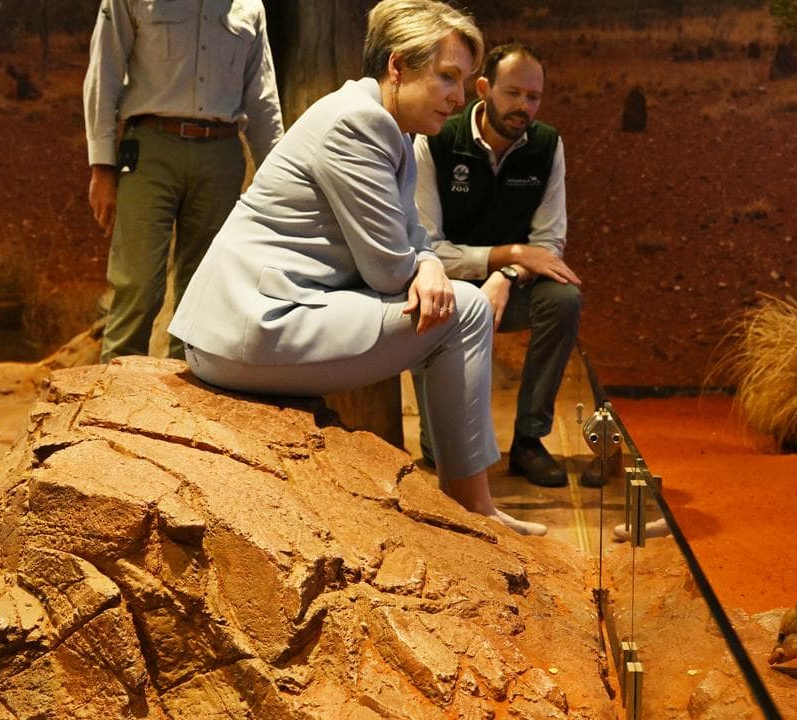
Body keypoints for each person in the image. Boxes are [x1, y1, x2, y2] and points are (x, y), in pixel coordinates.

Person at [168, 0, 545, 536]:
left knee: (454, 302)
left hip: (267, 321)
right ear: (397, 67)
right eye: (447, 77)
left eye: (464, 81)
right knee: (464, 311)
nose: (460, 97)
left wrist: (427, 262)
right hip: (257, 327)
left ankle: (470, 503)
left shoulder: (397, 131)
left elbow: (412, 238)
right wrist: (425, 265)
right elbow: (390, 268)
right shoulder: (357, 124)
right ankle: (471, 507)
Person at [413, 43, 598, 489]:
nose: (524, 107)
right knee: (426, 300)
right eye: (513, 93)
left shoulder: (547, 145)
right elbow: (428, 247)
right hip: (448, 285)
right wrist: (506, 256)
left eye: (533, 97)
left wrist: (507, 275)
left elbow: (549, 242)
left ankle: (529, 441)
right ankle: (440, 445)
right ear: (483, 89)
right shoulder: (436, 139)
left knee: (563, 298)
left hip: (512, 288)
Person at [83, 0, 284, 363]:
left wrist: (282, 181)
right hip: (150, 148)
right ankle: (112, 401)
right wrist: (102, 166)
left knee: (203, 291)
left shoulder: (249, 5)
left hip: (220, 155)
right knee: (138, 285)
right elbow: (105, 72)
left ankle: (187, 403)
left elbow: (262, 99)